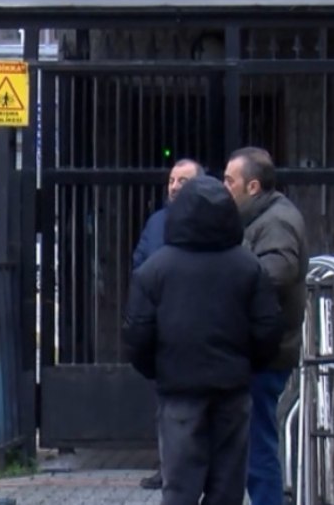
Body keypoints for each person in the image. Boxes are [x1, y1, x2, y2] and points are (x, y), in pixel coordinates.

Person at [123, 175, 282, 505]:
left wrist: (161, 370)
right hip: (232, 390)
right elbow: (268, 329)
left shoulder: (154, 270)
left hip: (179, 391)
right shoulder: (248, 267)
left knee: (179, 487)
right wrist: (246, 365)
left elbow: (137, 334)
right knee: (227, 489)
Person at [224, 147, 307, 505]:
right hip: (261, 347)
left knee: (259, 447)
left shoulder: (276, 222)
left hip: (267, 351)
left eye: (230, 181)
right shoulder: (261, 217)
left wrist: (232, 278)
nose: (223, 187)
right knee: (253, 443)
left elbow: (279, 270)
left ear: (252, 186)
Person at [134, 158, 203, 491]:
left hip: (203, 327)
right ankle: (168, 468)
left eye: (183, 180)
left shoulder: (215, 221)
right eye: (172, 180)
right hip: (166, 326)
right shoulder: (156, 222)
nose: (175, 186)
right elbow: (140, 265)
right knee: (167, 407)